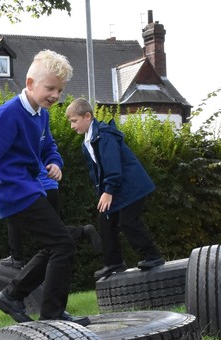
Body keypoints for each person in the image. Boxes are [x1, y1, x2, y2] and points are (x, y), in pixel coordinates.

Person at [0, 49, 89, 326]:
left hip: (29, 189)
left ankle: (11, 296)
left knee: (54, 244)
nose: (55, 95)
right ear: (30, 83)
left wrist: (54, 162)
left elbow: (47, 146)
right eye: (50, 88)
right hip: (13, 192)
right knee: (63, 243)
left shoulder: (40, 114)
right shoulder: (9, 114)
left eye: (60, 90)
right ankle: (52, 313)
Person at [65, 98, 165, 279]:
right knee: (105, 220)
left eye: (74, 121)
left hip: (131, 187)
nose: (72, 126)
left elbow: (113, 165)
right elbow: (97, 172)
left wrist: (109, 190)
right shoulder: (87, 142)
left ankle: (153, 256)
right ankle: (114, 263)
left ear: (87, 116)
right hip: (119, 188)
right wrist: (102, 192)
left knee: (128, 221)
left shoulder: (104, 136)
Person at [0, 168, 101, 270]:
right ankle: (83, 231)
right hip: (52, 187)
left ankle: (17, 257)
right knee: (56, 233)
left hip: (37, 189)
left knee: (13, 216)